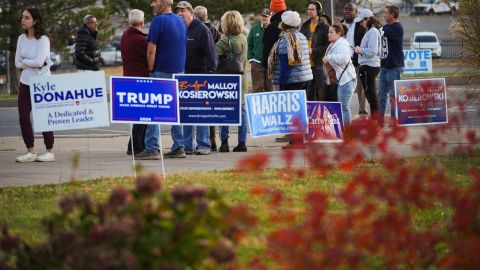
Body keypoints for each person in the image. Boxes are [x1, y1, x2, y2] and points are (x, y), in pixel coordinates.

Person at [136, 0, 187, 159]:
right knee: (176, 111)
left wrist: (150, 69)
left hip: (162, 70)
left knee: (154, 110)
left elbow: (151, 50)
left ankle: (152, 148)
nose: (151, 4)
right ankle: (179, 146)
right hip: (179, 70)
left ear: (164, 3)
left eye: (155, 1)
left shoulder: (158, 21)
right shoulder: (180, 20)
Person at [176, 1, 217, 155]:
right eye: (178, 12)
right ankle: (187, 145)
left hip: (200, 78)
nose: (180, 14)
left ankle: (203, 145)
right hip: (184, 78)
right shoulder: (179, 29)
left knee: (200, 113)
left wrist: (211, 73)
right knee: (186, 113)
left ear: (191, 12)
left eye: (183, 11)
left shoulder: (202, 30)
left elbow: (211, 54)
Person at [15, 8, 55, 162]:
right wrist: (31, 63)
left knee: (43, 117)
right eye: (22, 17)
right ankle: (30, 151)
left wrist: (26, 62)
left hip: (42, 83)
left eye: (27, 17)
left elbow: (40, 62)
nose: (23, 20)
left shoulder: (43, 39)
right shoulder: (21, 39)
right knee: (23, 117)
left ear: (35, 21)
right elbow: (17, 63)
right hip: (25, 83)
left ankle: (49, 151)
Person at [216, 10, 249, 153]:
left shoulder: (224, 41)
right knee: (242, 110)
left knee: (225, 110)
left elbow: (213, 54)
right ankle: (242, 142)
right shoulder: (243, 37)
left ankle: (224, 142)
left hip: (227, 80)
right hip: (241, 78)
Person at [121, 9, 149, 156]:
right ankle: (136, 146)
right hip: (141, 79)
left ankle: (133, 145)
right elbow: (150, 58)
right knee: (143, 116)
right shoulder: (141, 40)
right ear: (142, 22)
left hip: (129, 78)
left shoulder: (125, 35)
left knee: (139, 115)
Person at [193, 5, 220, 152]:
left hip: (200, 72)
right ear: (207, 16)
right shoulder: (214, 31)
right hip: (209, 72)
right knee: (207, 109)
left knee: (195, 109)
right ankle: (212, 141)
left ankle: (203, 142)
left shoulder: (197, 30)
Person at [323, 24, 357, 125]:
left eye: (331, 32)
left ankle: (347, 133)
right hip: (341, 80)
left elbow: (345, 58)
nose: (328, 34)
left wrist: (330, 57)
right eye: (328, 32)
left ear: (339, 34)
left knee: (344, 107)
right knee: (341, 106)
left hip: (347, 80)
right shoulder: (333, 44)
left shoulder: (342, 44)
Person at [354, 9, 382, 124]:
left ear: (368, 19)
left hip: (370, 66)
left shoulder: (373, 32)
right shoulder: (370, 31)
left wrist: (360, 50)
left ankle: (376, 120)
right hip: (367, 65)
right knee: (370, 93)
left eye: (362, 21)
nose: (361, 24)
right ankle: (376, 119)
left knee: (371, 93)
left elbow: (372, 51)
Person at [379, 4, 404, 127]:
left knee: (393, 97)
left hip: (395, 67)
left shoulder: (397, 28)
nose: (384, 15)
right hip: (384, 66)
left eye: (386, 13)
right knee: (381, 95)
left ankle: (393, 122)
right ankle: (379, 122)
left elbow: (381, 30)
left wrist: (376, 25)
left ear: (392, 15)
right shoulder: (386, 27)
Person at [300, 1, 329, 101]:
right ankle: (311, 115)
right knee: (309, 93)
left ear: (319, 11)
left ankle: (322, 114)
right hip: (306, 65)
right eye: (308, 9)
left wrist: (313, 50)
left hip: (319, 65)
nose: (309, 11)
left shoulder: (325, 27)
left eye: (312, 9)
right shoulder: (304, 26)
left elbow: (328, 47)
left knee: (322, 92)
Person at [343, 2, 368, 117]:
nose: (347, 11)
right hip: (342, 63)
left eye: (350, 10)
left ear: (356, 12)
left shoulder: (360, 25)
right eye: (345, 9)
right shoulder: (340, 25)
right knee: (343, 88)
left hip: (357, 61)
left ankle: (363, 113)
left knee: (361, 89)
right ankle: (343, 114)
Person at [247, 8, 271, 93]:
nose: (264, 18)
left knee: (270, 88)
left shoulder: (273, 29)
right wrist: (251, 59)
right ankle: (257, 106)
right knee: (257, 88)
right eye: (263, 16)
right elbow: (249, 45)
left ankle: (269, 106)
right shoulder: (254, 29)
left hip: (270, 63)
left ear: (270, 17)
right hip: (257, 62)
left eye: (266, 16)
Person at [263, 0, 287, 71]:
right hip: (291, 65)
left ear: (272, 10)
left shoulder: (272, 27)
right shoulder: (290, 24)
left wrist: (266, 65)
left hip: (276, 66)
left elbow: (267, 48)